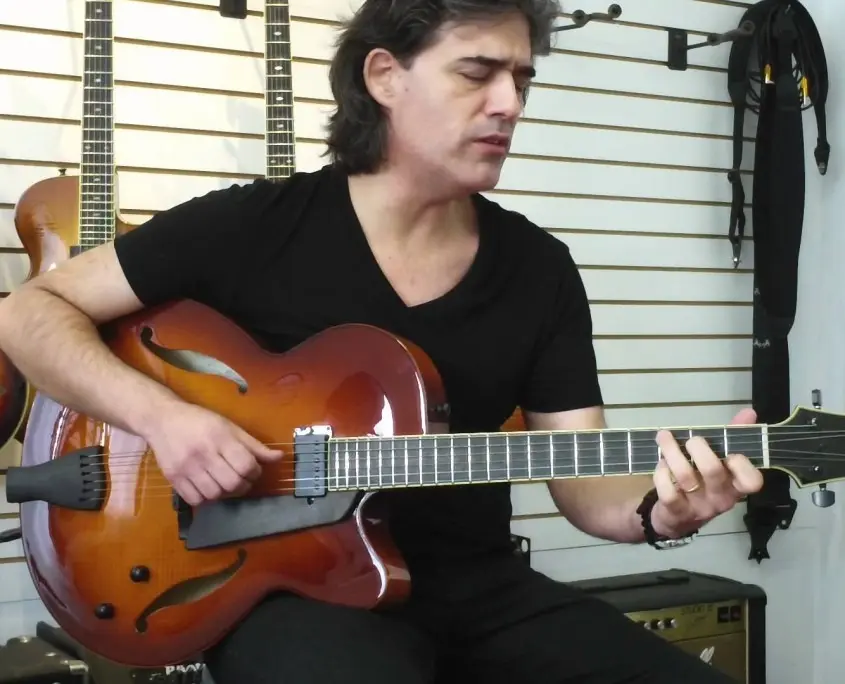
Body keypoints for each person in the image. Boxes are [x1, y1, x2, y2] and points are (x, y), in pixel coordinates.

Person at [0, 1, 764, 682]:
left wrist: (661, 515)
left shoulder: (539, 268)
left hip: (478, 590)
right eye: (477, 73)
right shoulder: (255, 225)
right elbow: (29, 313)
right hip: (292, 596)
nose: (509, 104)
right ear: (384, 76)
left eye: (521, 79)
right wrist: (163, 418)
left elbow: (585, 484)